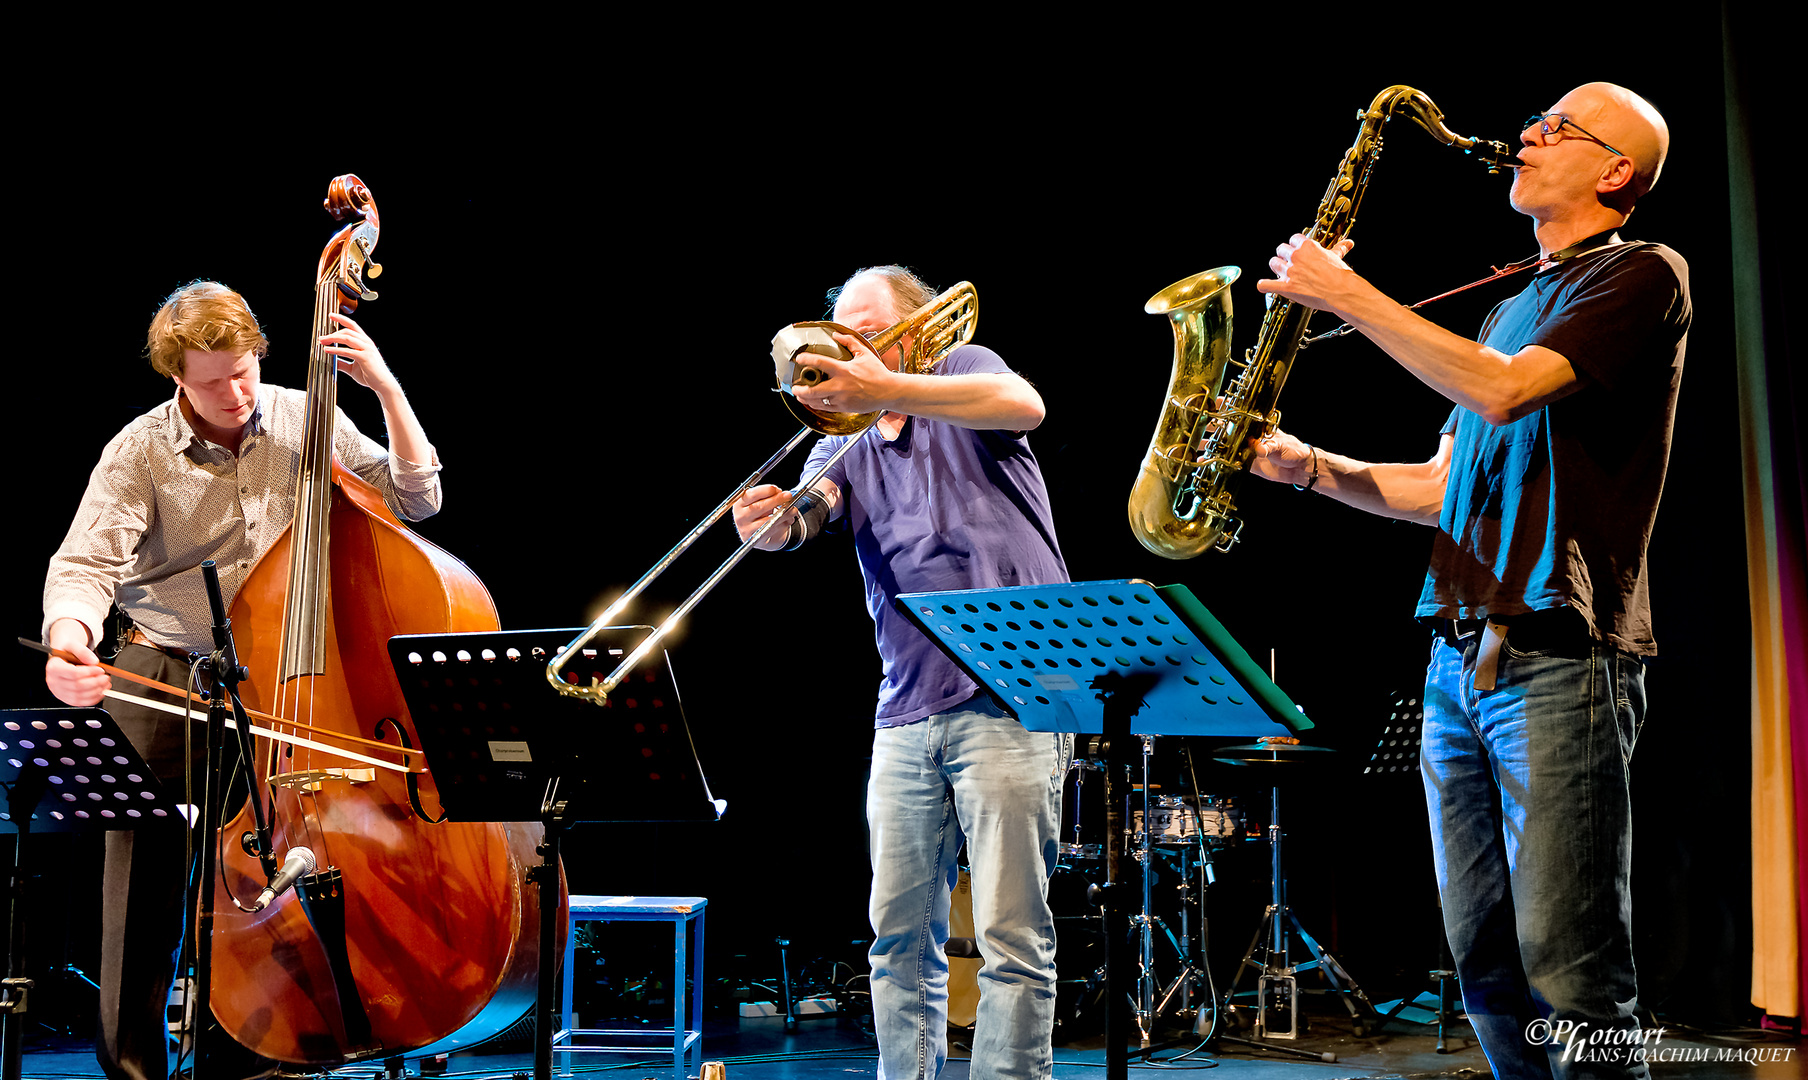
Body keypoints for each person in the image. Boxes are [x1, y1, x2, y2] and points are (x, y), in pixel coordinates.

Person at [1247, 83, 1686, 1080]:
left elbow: (1504, 389)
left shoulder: (1641, 274)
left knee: (1568, 974)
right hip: (1457, 663)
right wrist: (1307, 465)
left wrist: (1348, 296)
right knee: (1482, 963)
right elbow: (1439, 486)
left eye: (1557, 128)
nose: (1527, 134)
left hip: (1560, 659)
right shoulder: (1504, 308)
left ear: (1614, 170)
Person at [41, 281, 443, 1080]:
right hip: (166, 671)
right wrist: (68, 643)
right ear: (176, 377)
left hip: (276, 687)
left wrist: (387, 389)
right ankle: (131, 1070)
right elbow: (85, 565)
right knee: (142, 890)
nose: (238, 394)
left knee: (268, 876)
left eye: (246, 371)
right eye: (215, 380)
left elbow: (415, 500)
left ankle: (252, 1058)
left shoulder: (303, 413)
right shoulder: (140, 450)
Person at [732, 266, 1069, 1079]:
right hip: (906, 709)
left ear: (918, 332)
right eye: (838, 331)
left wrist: (894, 384)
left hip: (1014, 696)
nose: (844, 347)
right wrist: (772, 525)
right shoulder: (838, 440)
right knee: (897, 939)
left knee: (1011, 939)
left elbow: (1026, 405)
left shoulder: (962, 370)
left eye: (866, 329)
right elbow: (809, 515)